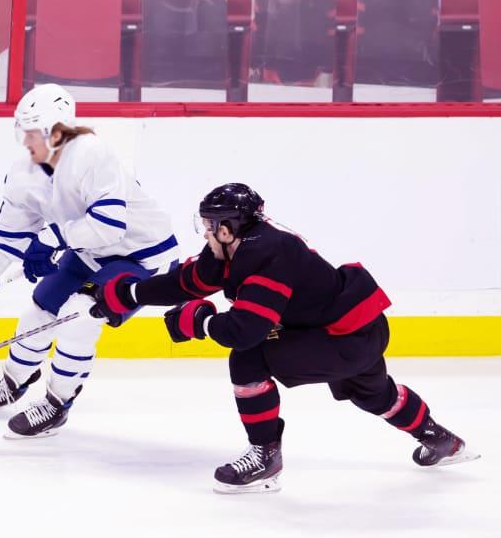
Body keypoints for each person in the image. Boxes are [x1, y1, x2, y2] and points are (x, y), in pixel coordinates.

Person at [90, 182, 478, 494]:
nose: (205, 233)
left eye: (209, 226)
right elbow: (188, 282)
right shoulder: (238, 244)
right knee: (375, 394)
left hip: (343, 339)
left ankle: (264, 457)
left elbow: (245, 332)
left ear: (227, 228)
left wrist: (201, 322)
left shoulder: (268, 255)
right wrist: (128, 294)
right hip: (356, 328)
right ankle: (442, 440)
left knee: (249, 357)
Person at [0, 83, 180, 439]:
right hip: (87, 253)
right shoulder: (24, 173)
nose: (24, 140)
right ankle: (13, 383)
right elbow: (6, 236)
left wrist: (52, 240)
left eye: (32, 131)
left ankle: (57, 402)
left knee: (78, 315)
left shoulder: (93, 155)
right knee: (39, 308)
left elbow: (109, 226)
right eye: (21, 130)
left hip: (143, 257)